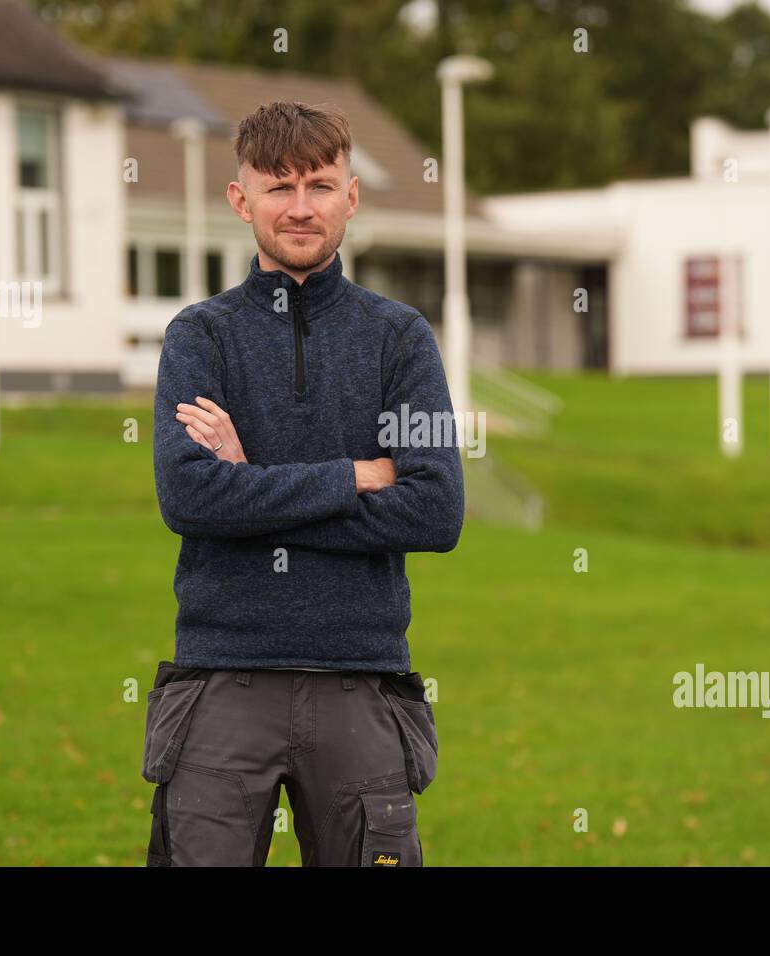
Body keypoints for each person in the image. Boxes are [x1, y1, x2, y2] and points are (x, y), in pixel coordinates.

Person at [143, 100, 464, 866]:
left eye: (319, 186)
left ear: (351, 196)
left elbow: (436, 510)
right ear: (240, 198)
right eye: (278, 186)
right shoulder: (200, 337)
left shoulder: (400, 338)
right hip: (223, 678)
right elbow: (189, 498)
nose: (299, 207)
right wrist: (356, 475)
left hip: (360, 678)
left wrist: (249, 485)